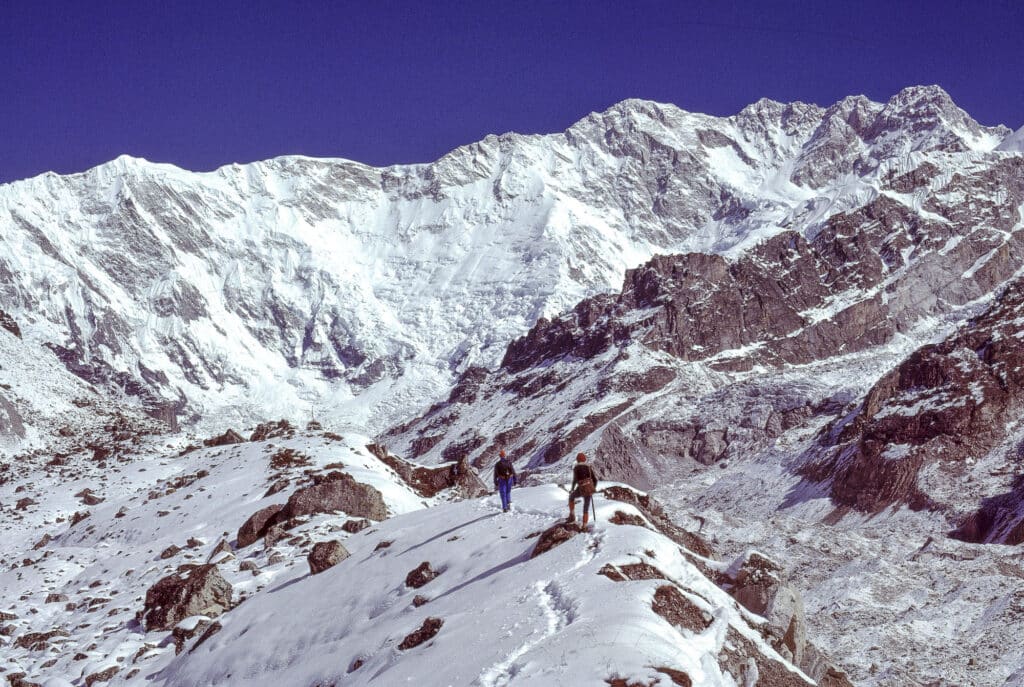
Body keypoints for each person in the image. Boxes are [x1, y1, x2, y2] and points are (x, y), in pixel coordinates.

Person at [568, 452, 599, 526]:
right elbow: (595, 480)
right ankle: (584, 526)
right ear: (584, 459)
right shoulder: (588, 467)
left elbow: (575, 480)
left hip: (581, 489)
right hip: (589, 489)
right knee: (586, 507)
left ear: (577, 460)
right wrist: (592, 488)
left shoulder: (576, 468)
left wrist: (572, 489)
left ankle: (572, 515)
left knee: (571, 497)